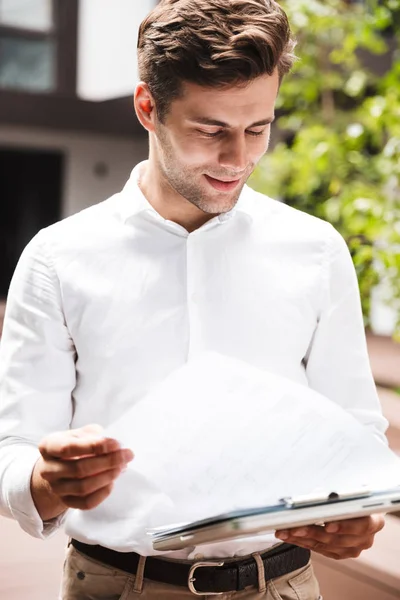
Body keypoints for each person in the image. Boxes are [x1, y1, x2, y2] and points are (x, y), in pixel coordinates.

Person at [0, 0, 387, 598]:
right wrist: (47, 480)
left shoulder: (316, 250)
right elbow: (12, 453)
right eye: (211, 131)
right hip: (115, 585)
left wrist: (360, 510)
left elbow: (358, 434)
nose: (239, 160)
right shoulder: (58, 258)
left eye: (258, 129)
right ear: (147, 108)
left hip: (283, 584)